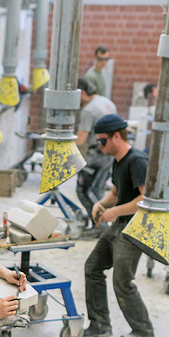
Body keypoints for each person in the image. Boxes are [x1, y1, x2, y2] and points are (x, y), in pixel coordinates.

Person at [83, 114, 154, 337]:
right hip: (120, 224)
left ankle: (143, 330)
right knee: (93, 268)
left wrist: (115, 212)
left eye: (103, 141)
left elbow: (146, 199)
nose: (100, 146)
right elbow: (115, 193)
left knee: (122, 282)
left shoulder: (137, 161)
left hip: (135, 229)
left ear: (116, 136)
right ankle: (100, 325)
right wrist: (102, 204)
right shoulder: (118, 159)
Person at [75, 77, 117, 235]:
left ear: (83, 93)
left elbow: (80, 139)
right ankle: (100, 222)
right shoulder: (107, 102)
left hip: (97, 154)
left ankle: (100, 226)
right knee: (98, 190)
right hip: (110, 154)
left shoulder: (88, 110)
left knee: (84, 190)